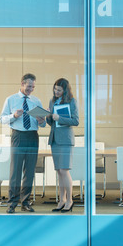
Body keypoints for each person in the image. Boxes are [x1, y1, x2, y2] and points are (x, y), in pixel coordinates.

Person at [0, 73, 46, 213]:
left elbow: (43, 124)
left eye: (33, 87)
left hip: (32, 136)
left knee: (30, 170)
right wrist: (14, 116)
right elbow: (2, 119)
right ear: (22, 84)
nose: (30, 89)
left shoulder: (36, 101)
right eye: (28, 86)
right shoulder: (11, 100)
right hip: (18, 136)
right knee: (16, 171)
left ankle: (25, 202)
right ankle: (12, 203)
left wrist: (41, 121)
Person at [46, 78, 79, 212]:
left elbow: (75, 121)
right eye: (55, 89)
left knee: (64, 170)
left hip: (65, 140)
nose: (56, 92)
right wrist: (48, 116)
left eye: (59, 90)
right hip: (54, 139)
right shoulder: (52, 101)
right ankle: (62, 200)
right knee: (59, 172)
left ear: (65, 90)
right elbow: (52, 123)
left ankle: (70, 200)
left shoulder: (72, 101)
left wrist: (60, 118)